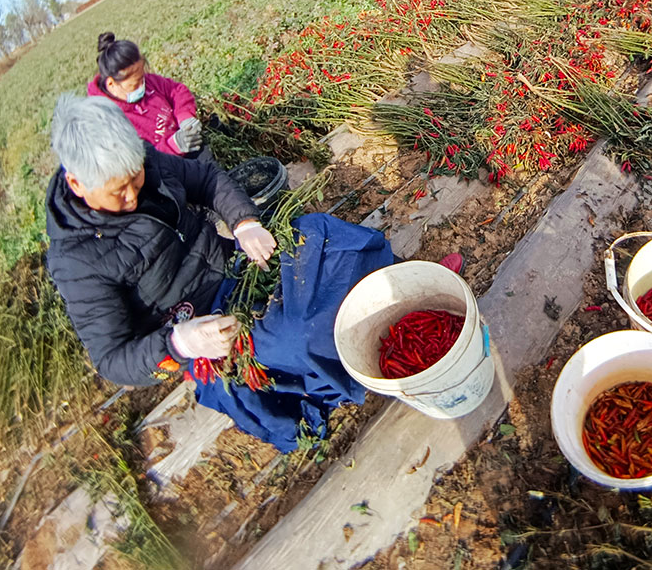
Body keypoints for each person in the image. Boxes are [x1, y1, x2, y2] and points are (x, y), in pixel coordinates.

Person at [45, 95, 394, 451]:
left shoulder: (145, 161)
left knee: (313, 232)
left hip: (233, 265)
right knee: (293, 337)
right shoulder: (76, 262)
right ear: (76, 184)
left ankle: (384, 296)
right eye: (118, 193)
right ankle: (355, 372)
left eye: (136, 179)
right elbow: (112, 358)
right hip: (203, 323)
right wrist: (181, 342)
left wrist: (243, 223)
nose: (133, 197)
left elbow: (206, 178)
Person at [88, 32, 206, 159]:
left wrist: (185, 117)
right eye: (134, 84)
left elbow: (176, 90)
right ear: (111, 84)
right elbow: (138, 161)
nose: (142, 85)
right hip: (164, 172)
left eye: (142, 77)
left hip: (189, 147)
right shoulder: (108, 122)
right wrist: (172, 146)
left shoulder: (149, 82)